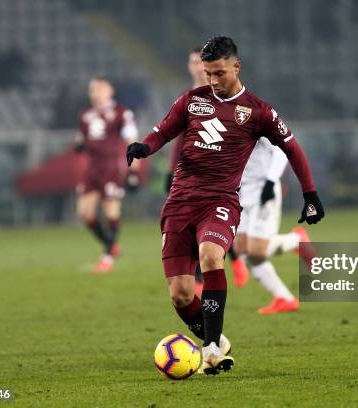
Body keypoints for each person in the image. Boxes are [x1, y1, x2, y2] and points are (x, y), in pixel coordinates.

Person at [126, 36, 324, 375]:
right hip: (179, 203)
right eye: (208, 74)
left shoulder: (259, 111)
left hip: (220, 202)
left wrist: (310, 193)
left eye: (219, 73)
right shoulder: (191, 101)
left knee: (211, 256)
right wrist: (144, 147)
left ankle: (213, 349)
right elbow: (162, 132)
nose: (213, 82)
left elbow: (292, 148)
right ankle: (213, 339)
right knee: (182, 294)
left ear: (236, 66)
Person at [166, 46, 249, 296]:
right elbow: (177, 137)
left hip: (220, 175)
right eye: (191, 62)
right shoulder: (187, 97)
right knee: (192, 226)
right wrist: (172, 170)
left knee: (214, 224)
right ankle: (205, 277)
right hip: (190, 174)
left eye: (198, 62)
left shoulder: (228, 96)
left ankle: (232, 261)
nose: (196, 67)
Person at [233, 138, 312, 314]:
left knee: (256, 251)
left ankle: (297, 240)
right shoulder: (223, 120)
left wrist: (270, 181)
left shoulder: (257, 115)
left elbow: (282, 149)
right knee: (241, 250)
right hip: (240, 189)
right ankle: (285, 298)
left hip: (263, 188)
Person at [75, 76, 140, 274]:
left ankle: (107, 257)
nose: (95, 93)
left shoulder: (121, 112)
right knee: (85, 213)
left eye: (100, 88)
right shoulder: (85, 115)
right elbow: (82, 139)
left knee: (111, 210)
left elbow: (132, 140)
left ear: (110, 91)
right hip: (92, 168)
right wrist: (79, 144)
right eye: (92, 89)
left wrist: (133, 170)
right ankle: (111, 245)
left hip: (112, 166)